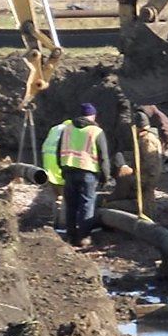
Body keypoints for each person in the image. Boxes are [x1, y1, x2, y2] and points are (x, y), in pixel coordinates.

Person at [51, 103, 113, 246]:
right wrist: (105, 176)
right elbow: (104, 157)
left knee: (71, 204)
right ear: (93, 115)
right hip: (88, 172)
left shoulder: (67, 129)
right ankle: (84, 236)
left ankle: (70, 235)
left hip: (69, 170)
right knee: (87, 204)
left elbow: (58, 150)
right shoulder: (96, 131)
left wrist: (62, 168)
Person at [39, 119, 68, 233]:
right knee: (66, 198)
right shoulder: (69, 131)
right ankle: (62, 225)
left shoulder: (54, 129)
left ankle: (55, 223)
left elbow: (44, 148)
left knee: (55, 197)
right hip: (59, 169)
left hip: (48, 167)